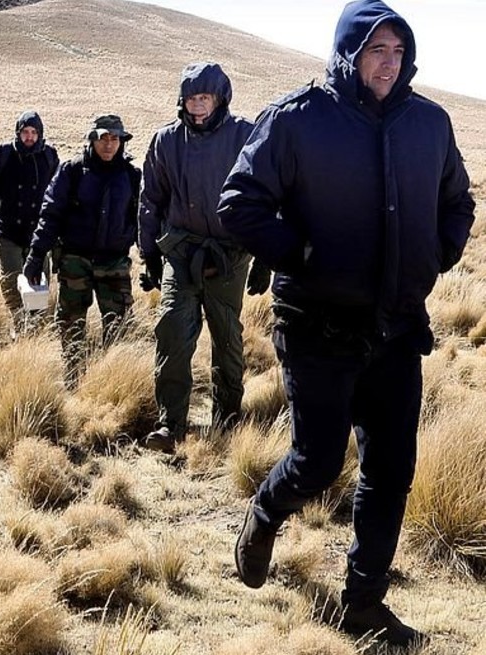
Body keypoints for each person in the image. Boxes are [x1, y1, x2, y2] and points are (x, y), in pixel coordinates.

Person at [218, 1, 475, 647]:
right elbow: (240, 204)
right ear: (347, 53)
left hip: (394, 325)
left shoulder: (429, 123)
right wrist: (301, 252)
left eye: (397, 50)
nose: (387, 63)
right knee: (319, 458)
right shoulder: (298, 119)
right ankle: (267, 511)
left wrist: (434, 254)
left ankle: (362, 604)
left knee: (391, 468)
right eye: (374, 50)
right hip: (317, 323)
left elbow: (456, 201)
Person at [138, 62, 257, 453]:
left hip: (229, 254)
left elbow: (270, 197)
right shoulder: (165, 141)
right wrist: (150, 253)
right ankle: (170, 423)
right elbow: (151, 200)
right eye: (191, 98)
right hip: (181, 251)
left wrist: (268, 257)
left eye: (205, 97)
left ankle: (227, 418)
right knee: (172, 329)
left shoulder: (245, 135)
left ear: (220, 97)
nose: (198, 106)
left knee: (227, 337)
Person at [24, 115, 141, 384]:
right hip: (75, 259)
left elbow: (142, 218)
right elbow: (50, 214)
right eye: (103, 138)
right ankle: (74, 378)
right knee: (70, 322)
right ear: (92, 139)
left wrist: (151, 256)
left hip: (115, 263)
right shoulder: (72, 171)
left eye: (115, 139)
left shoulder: (132, 176)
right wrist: (36, 255)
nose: (109, 145)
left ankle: (112, 382)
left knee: (119, 324)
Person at [0, 111, 60, 319]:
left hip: (38, 232)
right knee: (11, 279)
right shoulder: (3, 153)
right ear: (18, 132)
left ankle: (36, 322)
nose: (30, 137)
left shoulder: (49, 156)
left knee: (39, 280)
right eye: (25, 132)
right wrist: (2, 207)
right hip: (8, 230)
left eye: (34, 132)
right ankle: (17, 318)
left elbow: (57, 190)